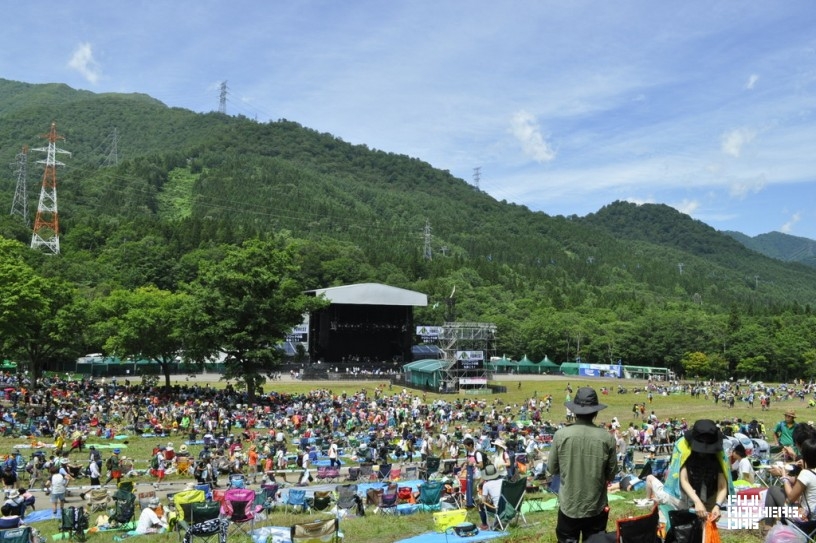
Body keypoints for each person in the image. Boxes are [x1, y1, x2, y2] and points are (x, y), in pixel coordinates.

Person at [548, 387, 617, 542]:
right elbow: (612, 473)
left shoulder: (561, 435)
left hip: (569, 505)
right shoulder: (607, 438)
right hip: (596, 506)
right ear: (596, 412)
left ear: (574, 411)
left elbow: (552, 468)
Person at [645, 419, 731, 522]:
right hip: (686, 493)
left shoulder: (719, 455)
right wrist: (697, 501)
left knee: (705, 524)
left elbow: (722, 486)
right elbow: (684, 479)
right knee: (685, 523)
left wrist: (717, 505)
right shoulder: (684, 450)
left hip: (710, 492)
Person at [765, 438, 816, 516]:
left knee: (772, 490)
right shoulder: (808, 472)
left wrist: (784, 477)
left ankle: (768, 526)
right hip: (812, 512)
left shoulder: (806, 473)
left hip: (806, 517)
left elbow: (791, 498)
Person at [478, 464, 504, 530]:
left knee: (481, 505)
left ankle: (484, 524)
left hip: (498, 508)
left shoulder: (486, 485)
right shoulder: (503, 481)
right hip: (510, 507)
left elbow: (483, 500)